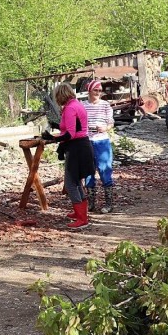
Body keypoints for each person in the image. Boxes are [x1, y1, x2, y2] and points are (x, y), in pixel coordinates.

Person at [42, 83, 93, 229]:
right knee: (77, 182)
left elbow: (70, 134)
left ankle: (82, 218)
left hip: (76, 148)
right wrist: (57, 127)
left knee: (70, 184)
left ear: (60, 95)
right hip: (82, 145)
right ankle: (81, 213)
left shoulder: (70, 108)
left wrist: (52, 138)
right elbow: (76, 128)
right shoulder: (77, 104)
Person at [84, 80, 115, 214]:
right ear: (89, 91)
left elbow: (111, 122)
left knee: (104, 169)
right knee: (88, 171)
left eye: (99, 90)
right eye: (95, 90)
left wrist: (105, 128)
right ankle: (91, 203)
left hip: (101, 141)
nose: (98, 93)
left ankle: (109, 203)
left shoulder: (105, 105)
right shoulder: (83, 105)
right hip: (87, 141)